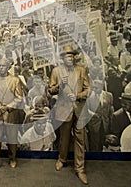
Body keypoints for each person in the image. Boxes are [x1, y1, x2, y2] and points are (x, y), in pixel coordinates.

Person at [48, 46, 89, 185]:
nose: (70, 58)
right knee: (64, 138)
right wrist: (60, 85)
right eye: (67, 56)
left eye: (72, 56)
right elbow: (51, 90)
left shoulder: (81, 70)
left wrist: (78, 95)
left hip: (79, 110)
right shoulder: (56, 71)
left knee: (80, 140)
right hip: (63, 110)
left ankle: (80, 169)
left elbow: (88, 89)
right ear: (62, 58)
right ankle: (62, 159)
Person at [0, 58, 24, 175]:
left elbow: (19, 98)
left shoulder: (15, 80)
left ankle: (12, 158)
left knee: (12, 139)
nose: (1, 68)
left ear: (8, 67)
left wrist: (8, 106)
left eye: (3, 66)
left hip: (10, 114)